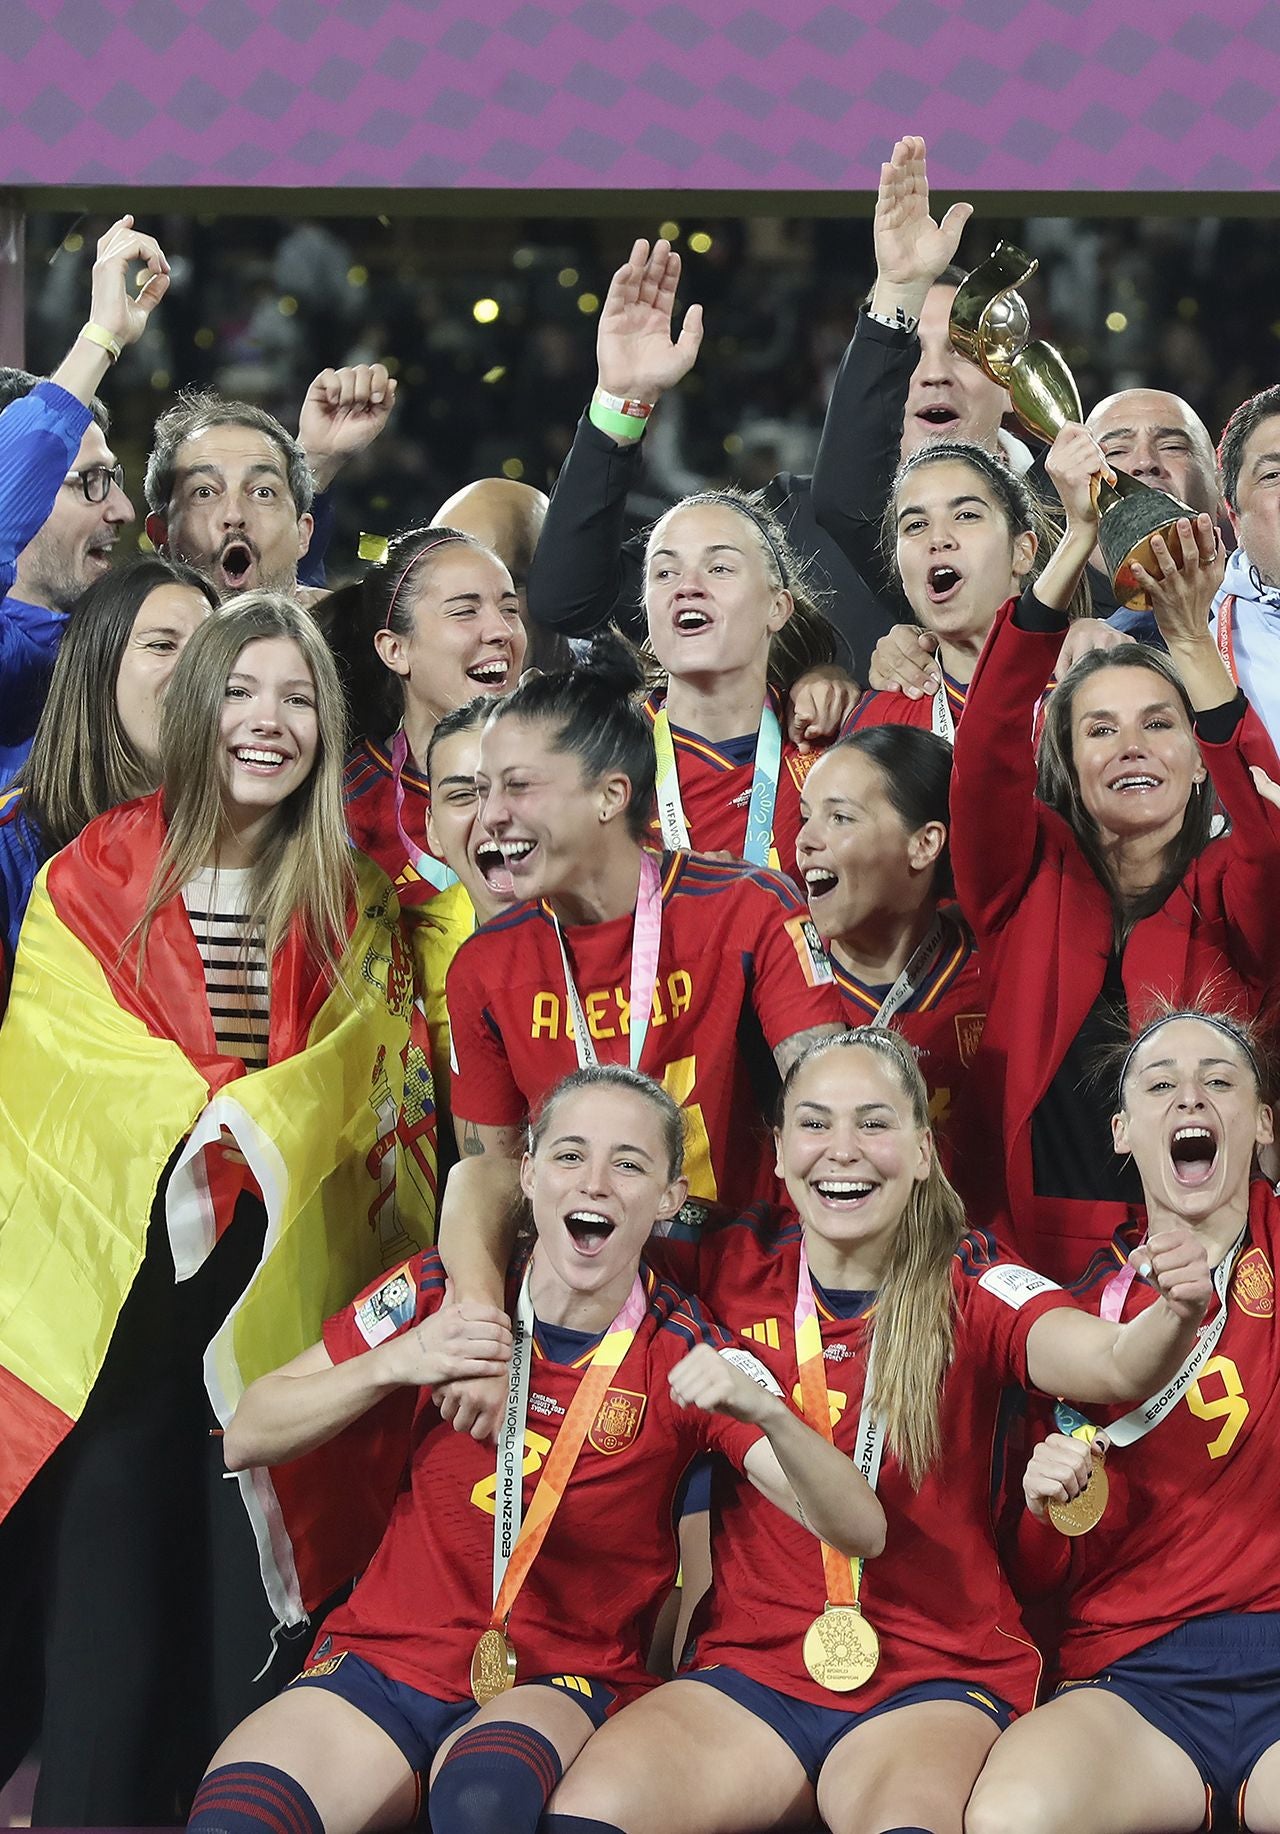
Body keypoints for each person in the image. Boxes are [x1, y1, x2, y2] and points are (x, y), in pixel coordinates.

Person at [539, 1027, 1213, 1834]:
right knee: (587, 1815)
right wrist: (473, 1292)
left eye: (876, 1123)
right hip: (753, 1671)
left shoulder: (971, 1278)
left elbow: (1110, 1364)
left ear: (924, 1150)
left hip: (934, 1668)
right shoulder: (726, 1258)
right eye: (816, 1125)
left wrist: (1175, 1316)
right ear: (780, 1152)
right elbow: (492, 1183)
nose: (844, 1151)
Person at [0, 593, 436, 1824]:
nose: (270, 720)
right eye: (242, 692)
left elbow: (368, 1083)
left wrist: (262, 1124)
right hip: (129, 1307)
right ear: (197, 710)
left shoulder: (348, 889)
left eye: (299, 698)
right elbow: (61, 1066)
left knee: (242, 1608)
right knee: (110, 1606)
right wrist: (225, 1114)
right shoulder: (99, 865)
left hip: (283, 1288)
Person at [189, 1066, 883, 1834]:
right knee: (234, 1823)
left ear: (668, 1198)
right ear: (528, 1174)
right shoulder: (441, 1296)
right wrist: (399, 1362)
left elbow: (858, 1527)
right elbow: (251, 1430)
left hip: (560, 1677)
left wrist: (774, 1415)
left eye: (629, 1164)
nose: (595, 1184)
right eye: (568, 1156)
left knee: (486, 1800)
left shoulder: (683, 1349)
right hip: (384, 1660)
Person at [951, 422, 1280, 1281]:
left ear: (1199, 754)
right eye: (1100, 729)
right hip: (1027, 1266)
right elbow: (985, 749)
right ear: (1064, 760)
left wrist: (1193, 643)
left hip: (1204, 1263)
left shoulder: (1232, 892)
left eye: (1159, 724)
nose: (1132, 747)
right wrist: (1076, 544)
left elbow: (1273, 835)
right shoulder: (1023, 878)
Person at [966, 1008, 1280, 1834]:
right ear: (1121, 1131)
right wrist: (1045, 1504)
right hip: (1136, 1682)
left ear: (1264, 1120)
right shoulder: (1078, 1320)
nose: (1192, 1101)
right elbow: (1037, 1574)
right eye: (1161, 1084)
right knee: (1012, 1818)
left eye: (1219, 1081)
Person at [444, 639, 846, 1233]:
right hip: (583, 1278)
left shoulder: (750, 910)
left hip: (744, 1281)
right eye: (483, 790)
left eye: (519, 786)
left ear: (611, 795)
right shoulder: (484, 966)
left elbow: (829, 1114)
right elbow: (491, 1180)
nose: (492, 815)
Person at [523, 233, 888, 684]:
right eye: (908, 350)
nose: (928, 375)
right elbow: (568, 600)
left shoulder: (990, 545)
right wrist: (622, 400)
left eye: (952, 350)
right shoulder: (781, 527)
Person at [0, 212, 169, 780]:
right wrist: (102, 338)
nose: (122, 510)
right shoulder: (17, 664)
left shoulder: (124, 645)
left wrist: (312, 469)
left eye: (116, 480)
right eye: (89, 482)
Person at [0, 553, 216, 966]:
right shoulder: (10, 849)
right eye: (162, 645)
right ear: (98, 667)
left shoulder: (253, 842)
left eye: (210, 650)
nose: (194, 671)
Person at [795, 726, 983, 1160]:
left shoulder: (993, 975)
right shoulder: (782, 976)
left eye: (840, 817)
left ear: (924, 844)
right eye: (807, 817)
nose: (804, 841)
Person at [336, 526, 527, 905]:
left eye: (509, 609)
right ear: (395, 650)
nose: (501, 630)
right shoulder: (343, 810)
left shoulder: (570, 773)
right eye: (465, 611)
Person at [143, 364, 397, 601]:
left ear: (304, 535)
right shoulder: (120, 639)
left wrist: (320, 459)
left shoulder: (349, 637)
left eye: (263, 492)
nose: (234, 514)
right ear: (161, 535)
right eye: (204, 492)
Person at [417, 696, 522, 1119]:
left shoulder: (638, 929)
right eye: (463, 795)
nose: (493, 814)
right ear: (433, 832)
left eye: (518, 785)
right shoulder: (408, 954)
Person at [433, 475, 573, 672]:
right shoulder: (387, 695)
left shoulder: (617, 693)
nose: (492, 631)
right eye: (459, 603)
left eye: (509, 588)